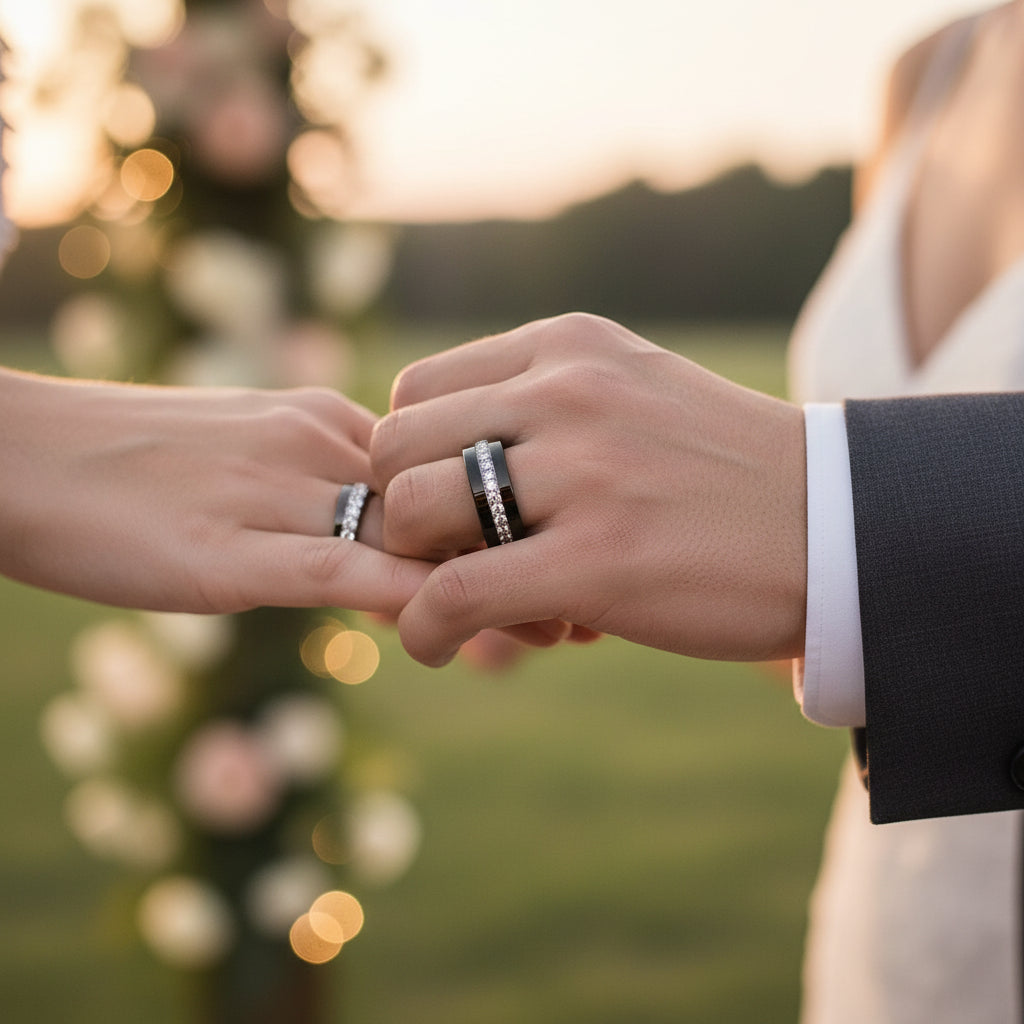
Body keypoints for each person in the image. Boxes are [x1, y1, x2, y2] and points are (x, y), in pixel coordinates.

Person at [368, 6, 1024, 1021]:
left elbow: (853, 523)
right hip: (885, 937)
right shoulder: (928, 72)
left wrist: (819, 501)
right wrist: (609, 554)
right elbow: (915, 626)